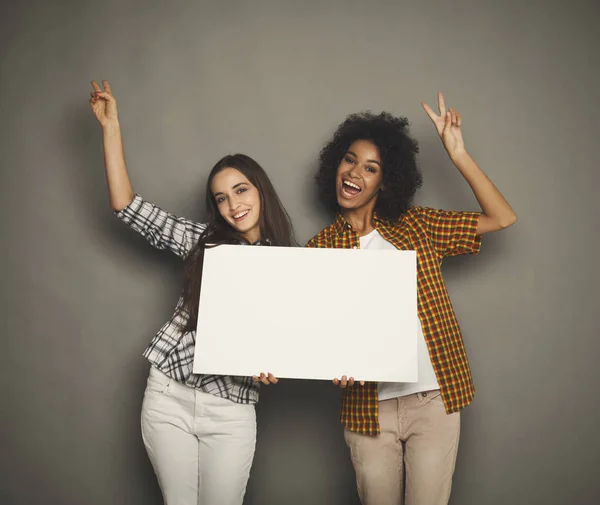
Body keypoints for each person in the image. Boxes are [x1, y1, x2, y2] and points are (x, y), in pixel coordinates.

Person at [89, 80, 295, 505]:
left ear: (260, 190)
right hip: (169, 396)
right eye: (220, 198)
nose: (232, 205)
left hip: (231, 409)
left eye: (240, 190)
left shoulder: (293, 265)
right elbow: (126, 206)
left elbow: (294, 342)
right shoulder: (203, 241)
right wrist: (111, 128)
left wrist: (276, 366)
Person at [307, 92, 517, 505]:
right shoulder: (318, 250)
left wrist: (458, 154)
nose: (355, 173)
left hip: (433, 401)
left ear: (385, 181)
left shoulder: (418, 225)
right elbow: (319, 336)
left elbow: (502, 217)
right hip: (368, 411)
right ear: (336, 165)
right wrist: (332, 364)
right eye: (349, 160)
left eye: (371, 167)